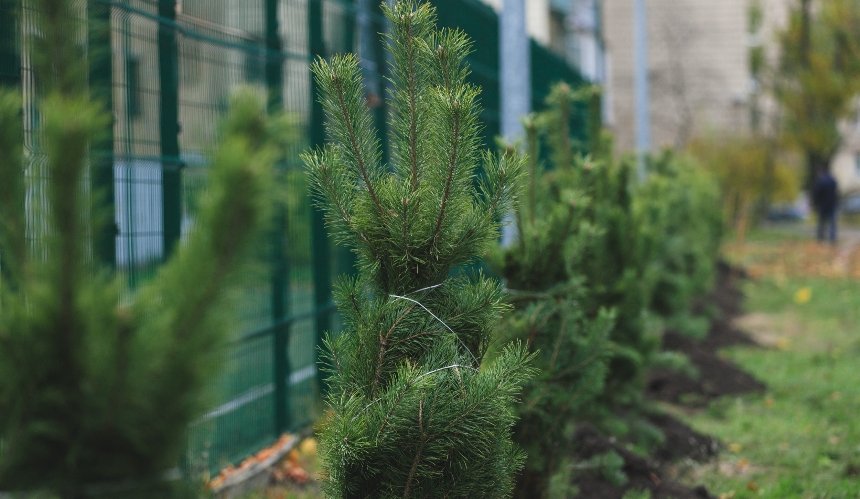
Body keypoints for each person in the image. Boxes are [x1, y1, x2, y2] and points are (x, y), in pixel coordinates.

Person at [812, 168, 839, 243]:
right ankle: (832, 238)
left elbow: (816, 194)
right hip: (832, 204)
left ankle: (820, 238)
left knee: (821, 222)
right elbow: (836, 193)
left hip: (822, 205)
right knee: (832, 222)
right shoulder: (833, 180)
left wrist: (815, 203)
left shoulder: (820, 181)